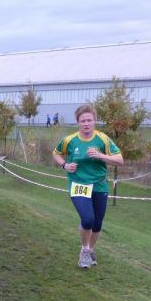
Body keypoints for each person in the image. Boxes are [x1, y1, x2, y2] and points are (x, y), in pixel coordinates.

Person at [52, 104, 123, 268]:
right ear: (78, 122)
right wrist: (64, 165)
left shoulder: (102, 139)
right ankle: (84, 250)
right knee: (88, 219)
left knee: (97, 223)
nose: (86, 124)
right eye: (83, 121)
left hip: (99, 185)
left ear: (95, 121)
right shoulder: (70, 140)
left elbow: (120, 160)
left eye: (89, 120)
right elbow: (56, 153)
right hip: (78, 184)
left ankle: (90, 249)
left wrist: (100, 155)